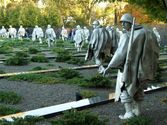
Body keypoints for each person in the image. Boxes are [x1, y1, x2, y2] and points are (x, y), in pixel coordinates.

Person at [103, 13, 159, 119]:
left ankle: (128, 113)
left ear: (129, 22)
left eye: (124, 22)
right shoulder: (145, 32)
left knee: (124, 88)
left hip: (129, 69)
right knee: (138, 88)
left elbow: (120, 54)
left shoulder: (128, 35)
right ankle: (137, 110)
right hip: (141, 69)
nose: (123, 25)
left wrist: (109, 66)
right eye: (122, 23)